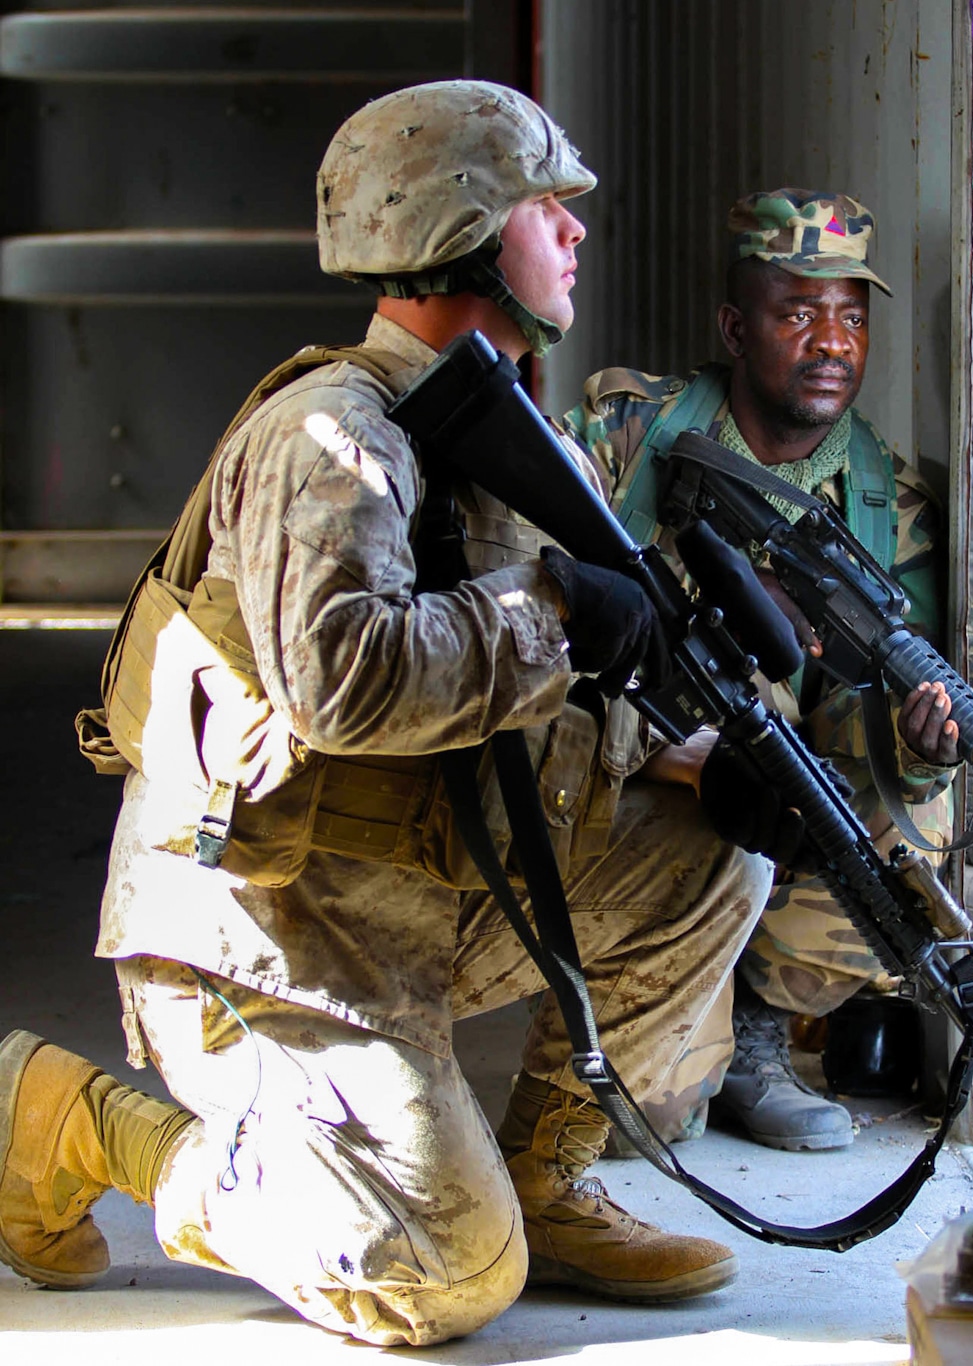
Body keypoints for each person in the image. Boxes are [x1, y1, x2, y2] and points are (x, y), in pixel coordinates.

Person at [0, 83, 773, 1347]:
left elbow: (538, 713)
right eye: (545, 205)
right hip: (264, 930)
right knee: (443, 1280)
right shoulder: (331, 434)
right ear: (459, 223)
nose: (576, 231)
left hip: (414, 888)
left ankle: (538, 1182)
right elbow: (343, 682)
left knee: (709, 860)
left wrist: (679, 757)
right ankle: (73, 1121)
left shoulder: (522, 440)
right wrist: (553, 611)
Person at [562, 188, 973, 1154]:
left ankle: (755, 1029)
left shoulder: (890, 510)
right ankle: (601, 980)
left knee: (909, 793)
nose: (832, 342)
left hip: (756, 814)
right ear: (734, 328)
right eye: (798, 313)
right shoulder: (631, 437)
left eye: (852, 318)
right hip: (620, 785)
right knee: (633, 1129)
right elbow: (531, 591)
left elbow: (869, 749)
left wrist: (922, 754)